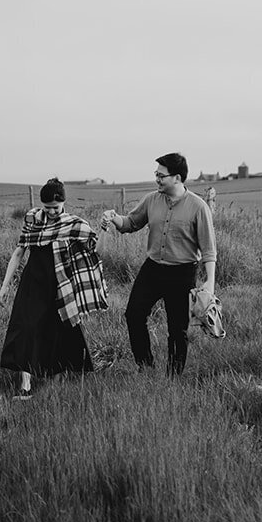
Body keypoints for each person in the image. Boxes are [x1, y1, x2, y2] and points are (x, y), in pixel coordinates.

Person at [103, 152, 217, 375]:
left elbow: (209, 250)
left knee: (178, 329)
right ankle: (145, 367)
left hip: (182, 273)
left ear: (176, 177)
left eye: (160, 175)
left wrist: (210, 281)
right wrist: (113, 217)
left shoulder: (198, 207)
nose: (156, 179)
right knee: (133, 315)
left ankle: (173, 376)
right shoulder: (151, 199)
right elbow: (130, 223)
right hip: (152, 269)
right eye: (156, 174)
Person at [0, 178, 108, 400]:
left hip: (59, 285)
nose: (51, 212)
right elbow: (19, 252)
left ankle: (55, 377)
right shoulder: (32, 218)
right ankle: (24, 385)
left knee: (58, 330)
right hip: (32, 282)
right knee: (25, 328)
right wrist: (5, 285)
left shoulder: (74, 224)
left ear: (63, 203)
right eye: (47, 208)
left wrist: (105, 228)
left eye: (55, 208)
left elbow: (96, 249)